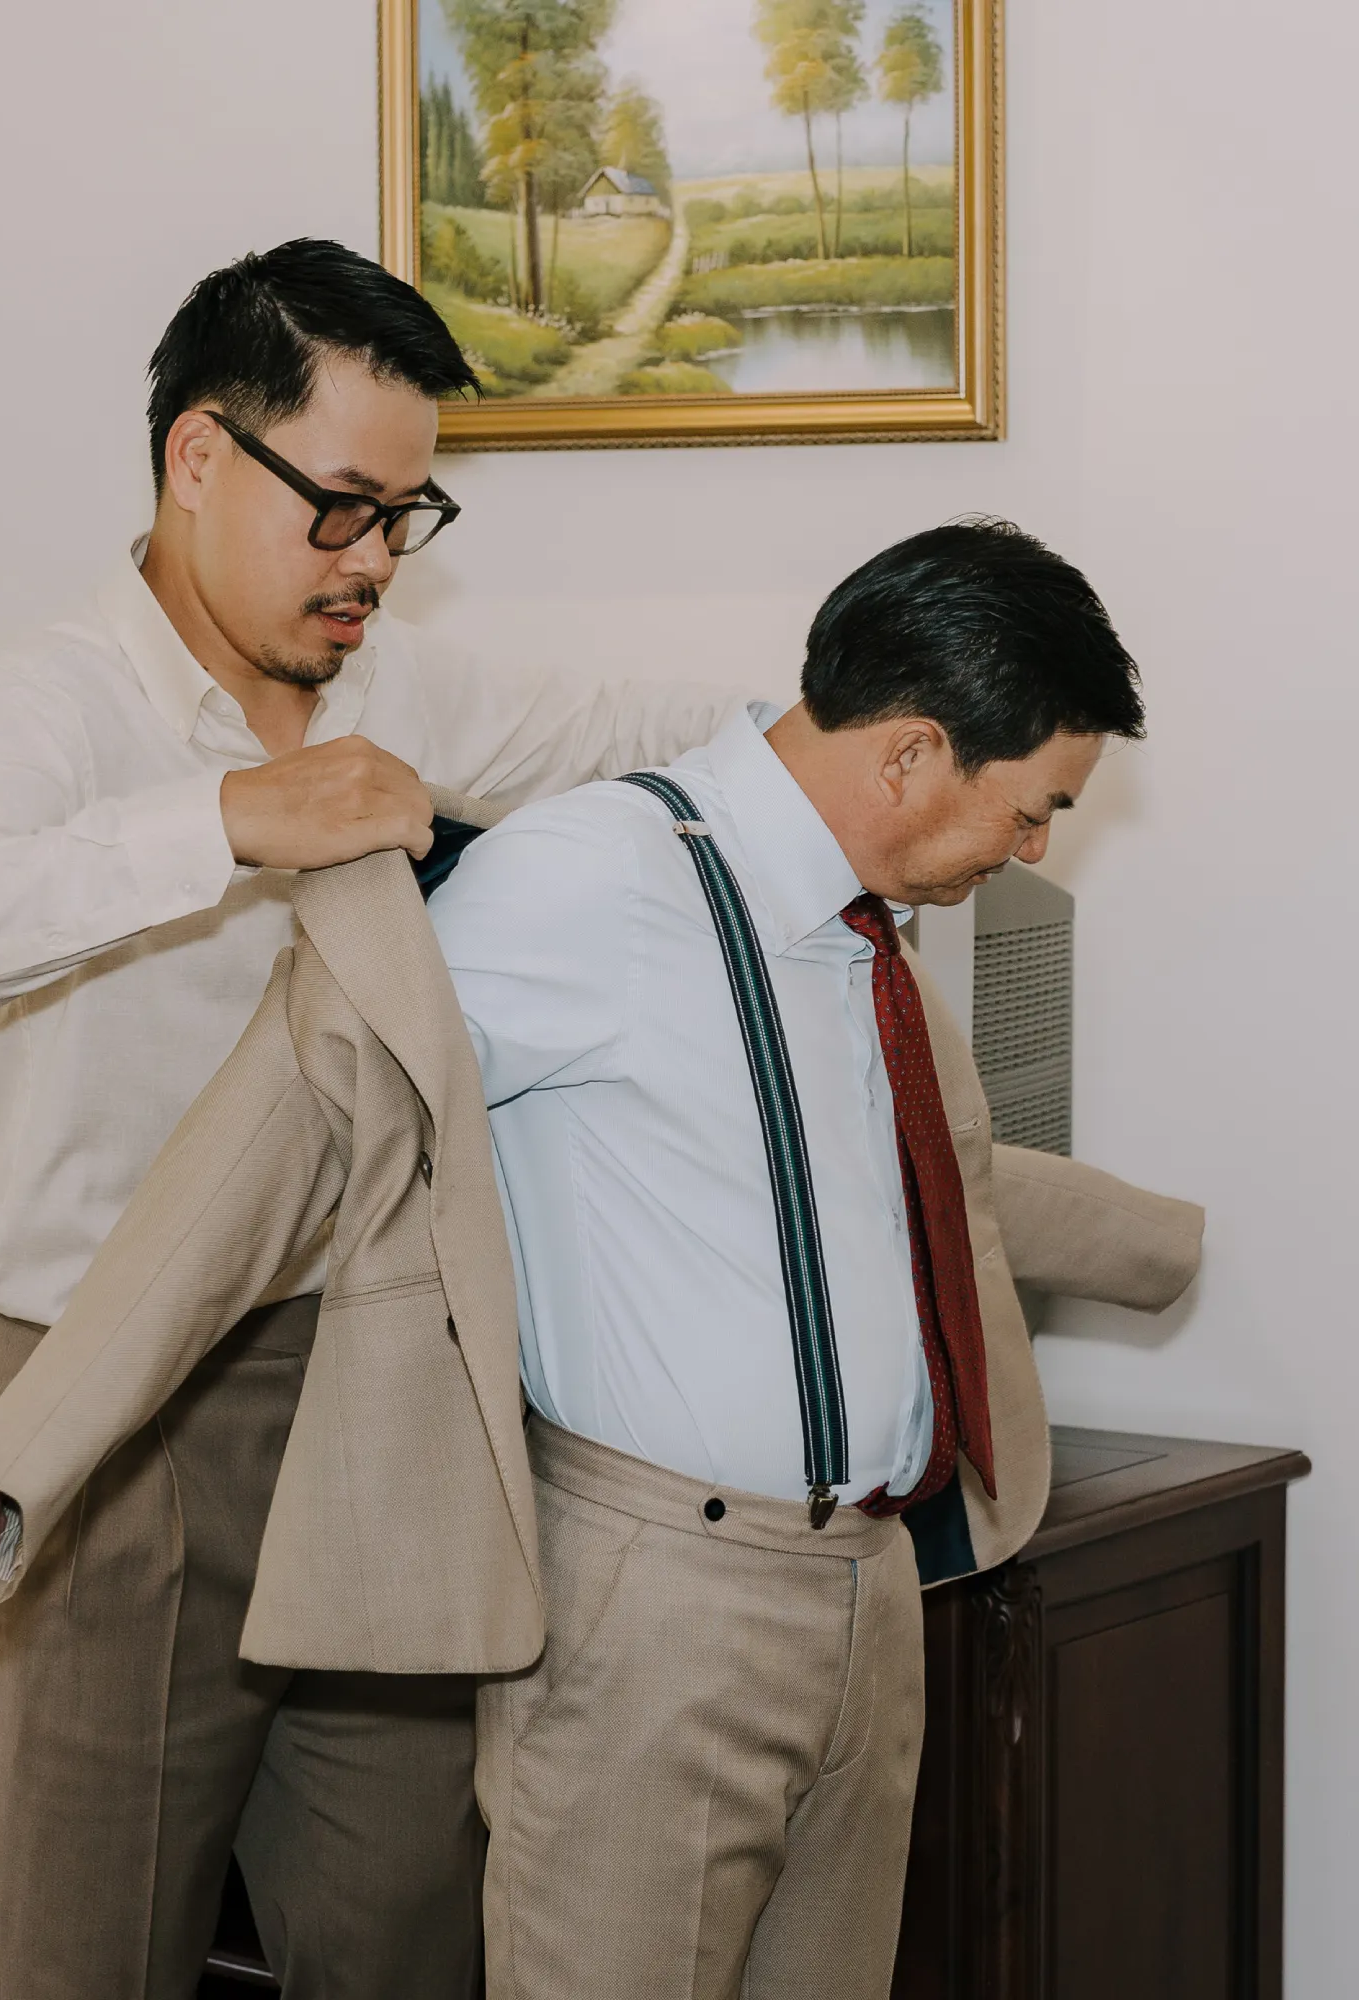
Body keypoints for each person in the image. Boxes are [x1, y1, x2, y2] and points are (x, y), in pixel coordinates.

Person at [0, 237, 742, 2000]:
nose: (377, 566)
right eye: (341, 509)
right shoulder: (43, 703)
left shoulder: (408, 688)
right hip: (111, 1399)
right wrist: (236, 821)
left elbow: (643, 731)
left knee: (408, 1937)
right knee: (84, 1956)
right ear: (198, 458)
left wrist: (868, 716)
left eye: (409, 518)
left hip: (373, 1399)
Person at [425, 518, 1196, 1999]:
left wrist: (1176, 1247)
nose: (1036, 851)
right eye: (1033, 809)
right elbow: (336, 1138)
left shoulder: (862, 930)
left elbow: (926, 1184)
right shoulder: (586, 883)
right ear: (911, 753)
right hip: (658, 1613)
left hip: (867, 1595)